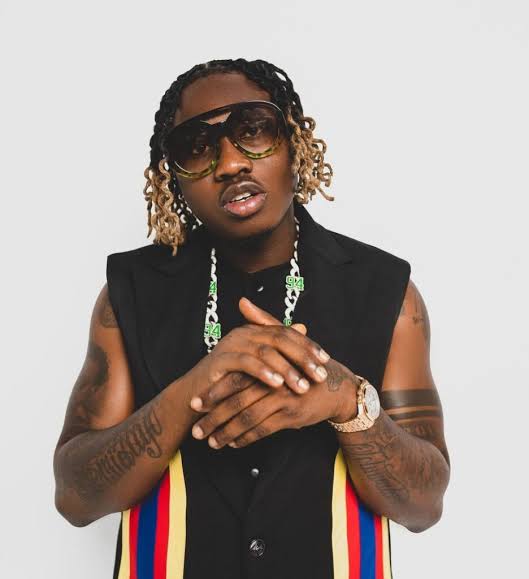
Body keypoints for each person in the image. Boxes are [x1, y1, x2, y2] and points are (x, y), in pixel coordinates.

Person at [53, 58, 450, 579]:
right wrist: (189, 392)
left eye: (253, 130)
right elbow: (75, 497)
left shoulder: (386, 293)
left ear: (294, 143)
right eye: (197, 147)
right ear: (173, 179)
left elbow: (424, 506)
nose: (230, 163)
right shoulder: (129, 296)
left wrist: (348, 402)